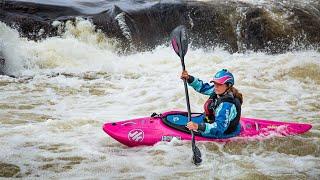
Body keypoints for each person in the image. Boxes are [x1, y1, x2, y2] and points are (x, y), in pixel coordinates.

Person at [181, 69, 243, 138]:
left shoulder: (227, 105)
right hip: (212, 121)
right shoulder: (219, 90)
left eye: (219, 84)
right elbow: (202, 87)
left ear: (228, 85)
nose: (216, 86)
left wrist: (198, 126)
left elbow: (220, 128)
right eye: (215, 83)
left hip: (223, 132)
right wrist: (189, 78)